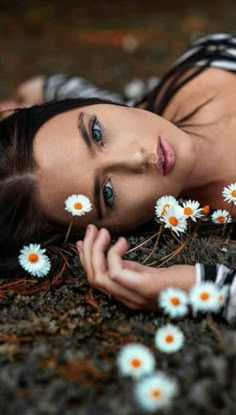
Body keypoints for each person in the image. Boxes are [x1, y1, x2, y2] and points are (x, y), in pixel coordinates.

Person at [1, 33, 236, 323]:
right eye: (108, 193)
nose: (137, 158)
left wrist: (46, 88)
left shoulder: (203, 65)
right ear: (108, 232)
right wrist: (207, 288)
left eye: (96, 132)